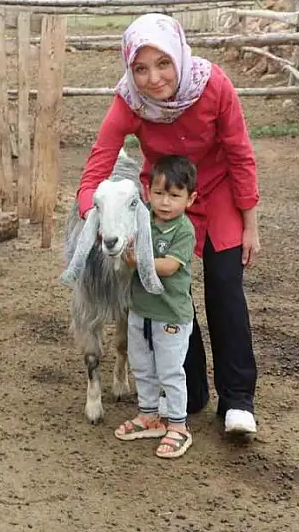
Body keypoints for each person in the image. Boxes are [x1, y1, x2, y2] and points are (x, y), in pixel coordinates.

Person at [74, 13, 261, 436]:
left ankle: (237, 400)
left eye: (163, 64)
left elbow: (240, 154)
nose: (153, 78)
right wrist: (95, 217)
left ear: (179, 55)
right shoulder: (129, 102)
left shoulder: (214, 86)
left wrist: (250, 223)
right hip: (165, 201)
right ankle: (190, 390)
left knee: (225, 287)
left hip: (219, 195)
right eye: (140, 68)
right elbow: (96, 168)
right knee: (171, 289)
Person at [114, 154, 199, 459]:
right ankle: (149, 415)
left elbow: (168, 267)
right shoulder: (143, 219)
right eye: (159, 193)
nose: (165, 202)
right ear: (147, 192)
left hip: (170, 316)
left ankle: (178, 425)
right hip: (141, 311)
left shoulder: (183, 231)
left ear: (190, 199)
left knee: (170, 371)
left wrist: (137, 259)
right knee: (142, 366)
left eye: (175, 196)